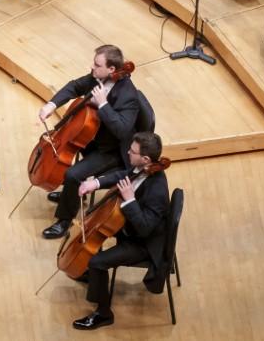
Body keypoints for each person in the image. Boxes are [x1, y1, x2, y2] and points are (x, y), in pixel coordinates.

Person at [39, 44, 154, 240]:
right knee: (69, 152)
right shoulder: (99, 77)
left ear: (111, 69)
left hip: (113, 150)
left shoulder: (128, 96)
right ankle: (71, 195)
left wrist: (103, 104)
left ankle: (64, 221)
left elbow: (122, 130)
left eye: (97, 65)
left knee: (73, 174)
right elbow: (75, 86)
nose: (92, 67)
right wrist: (51, 104)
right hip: (94, 138)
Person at [69, 132, 172, 332]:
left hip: (144, 244)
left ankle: (103, 313)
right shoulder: (143, 168)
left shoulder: (157, 189)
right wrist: (95, 183)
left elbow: (144, 229)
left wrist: (130, 199)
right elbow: (123, 175)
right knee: (95, 236)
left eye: (132, 151)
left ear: (145, 159)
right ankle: (95, 280)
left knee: (96, 262)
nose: (127, 152)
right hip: (130, 227)